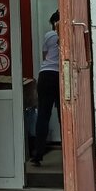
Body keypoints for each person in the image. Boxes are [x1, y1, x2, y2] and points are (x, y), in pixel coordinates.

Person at [31, 10, 61, 166]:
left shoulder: (49, 35)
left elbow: (45, 56)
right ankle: (68, 154)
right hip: (60, 75)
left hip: (45, 75)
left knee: (43, 115)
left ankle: (38, 155)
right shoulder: (66, 35)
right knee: (64, 116)